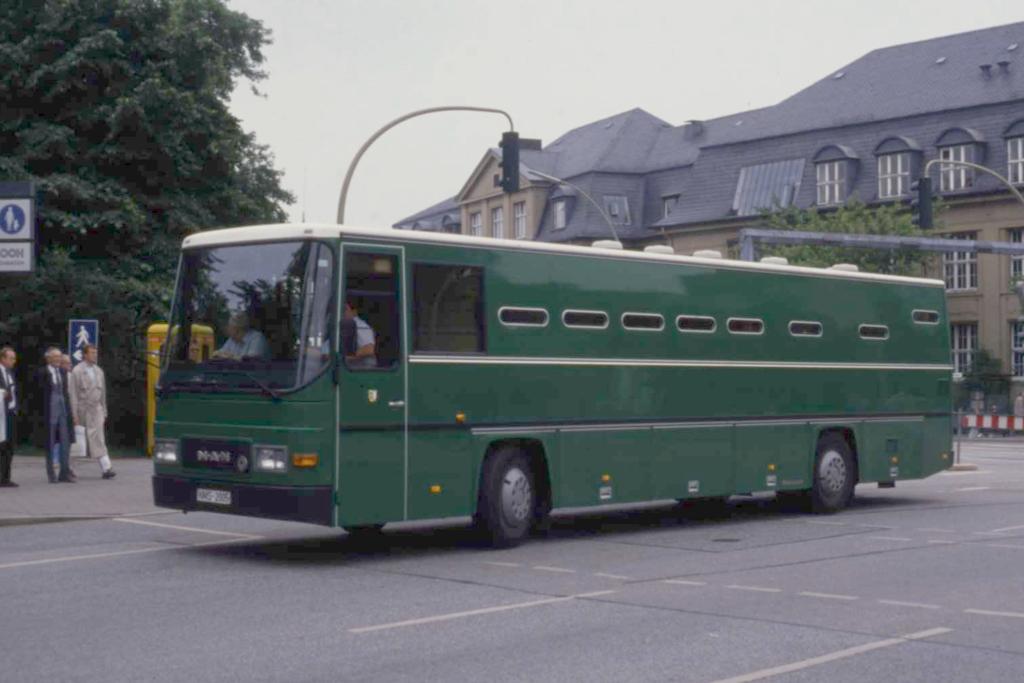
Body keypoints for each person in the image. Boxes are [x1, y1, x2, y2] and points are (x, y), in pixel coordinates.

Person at [69, 344, 116, 480]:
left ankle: (107, 468)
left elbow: (103, 394)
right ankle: (70, 468)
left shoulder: (99, 371)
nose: (94, 355)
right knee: (80, 441)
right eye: (91, 353)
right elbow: (73, 395)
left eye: (95, 352)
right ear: (85, 355)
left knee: (99, 439)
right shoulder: (77, 371)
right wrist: (74, 415)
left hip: (97, 410)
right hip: (83, 410)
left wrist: (104, 411)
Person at [36, 347, 75, 483]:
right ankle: (51, 474)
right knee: (50, 442)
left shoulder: (63, 372)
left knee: (65, 442)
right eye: (55, 357)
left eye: (59, 357)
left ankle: (64, 473)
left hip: (63, 411)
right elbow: (38, 395)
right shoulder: (42, 372)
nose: (58, 359)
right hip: (49, 412)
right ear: (48, 358)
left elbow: (66, 393)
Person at [0, 346, 17, 487]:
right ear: (3, 358)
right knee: (1, 446)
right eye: (11, 358)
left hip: (10, 413)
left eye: (14, 358)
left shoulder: (10, 372)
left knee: (9, 446)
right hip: (1, 414)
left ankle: (6, 478)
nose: (13, 361)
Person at [343, 301, 377, 368]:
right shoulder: (343, 326)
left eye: (345, 309)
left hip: (361, 371)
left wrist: (345, 358)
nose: (342, 312)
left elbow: (368, 349)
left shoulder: (360, 325)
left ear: (354, 312)